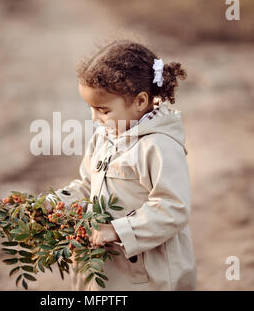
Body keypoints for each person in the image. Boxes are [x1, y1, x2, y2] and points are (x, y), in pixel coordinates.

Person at [43, 39, 197, 290]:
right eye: (91, 109)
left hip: (149, 277)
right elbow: (86, 185)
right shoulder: (104, 137)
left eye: (103, 110)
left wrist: (118, 230)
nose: (95, 119)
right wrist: (55, 203)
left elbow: (173, 207)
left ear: (140, 101)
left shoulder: (159, 145)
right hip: (106, 270)